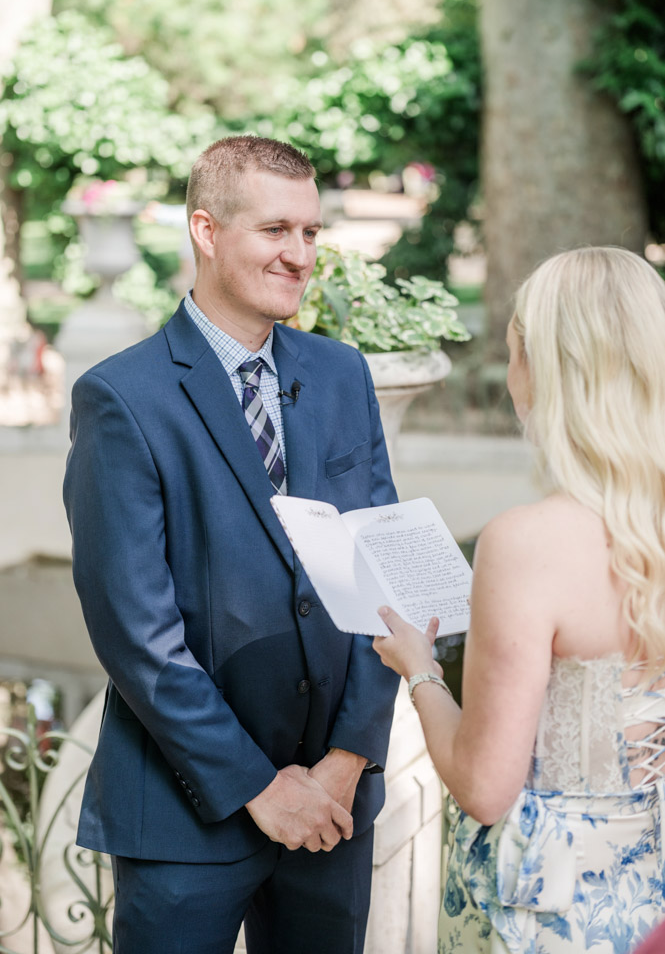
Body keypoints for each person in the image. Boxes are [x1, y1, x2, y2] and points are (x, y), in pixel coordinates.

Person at [63, 135, 399, 954]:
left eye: (311, 234)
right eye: (275, 230)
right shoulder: (120, 397)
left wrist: (349, 758)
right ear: (206, 232)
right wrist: (256, 786)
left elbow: (378, 569)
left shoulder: (342, 374)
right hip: (186, 813)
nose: (299, 254)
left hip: (332, 808)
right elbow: (136, 635)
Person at [373, 246, 665, 953]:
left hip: (544, 910)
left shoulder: (526, 542)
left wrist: (419, 670)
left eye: (513, 353)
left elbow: (482, 784)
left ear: (543, 370)